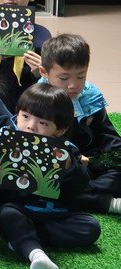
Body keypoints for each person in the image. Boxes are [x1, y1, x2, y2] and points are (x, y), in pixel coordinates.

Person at [0, 84, 101, 269]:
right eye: (25, 116)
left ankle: (22, 237)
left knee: (91, 227)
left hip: (55, 213)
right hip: (17, 208)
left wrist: (70, 166)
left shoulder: (66, 150)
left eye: (43, 122)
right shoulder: (0, 142)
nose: (31, 126)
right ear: (17, 114)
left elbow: (80, 186)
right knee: (5, 215)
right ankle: (36, 254)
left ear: (60, 130)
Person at [38, 34, 121, 215]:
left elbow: (108, 137)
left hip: (92, 162)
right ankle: (106, 202)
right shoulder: (36, 101)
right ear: (44, 72)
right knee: (49, 187)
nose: (73, 85)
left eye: (81, 76)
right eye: (64, 78)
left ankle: (86, 193)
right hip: (62, 168)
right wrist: (72, 161)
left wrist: (106, 158)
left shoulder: (90, 96)